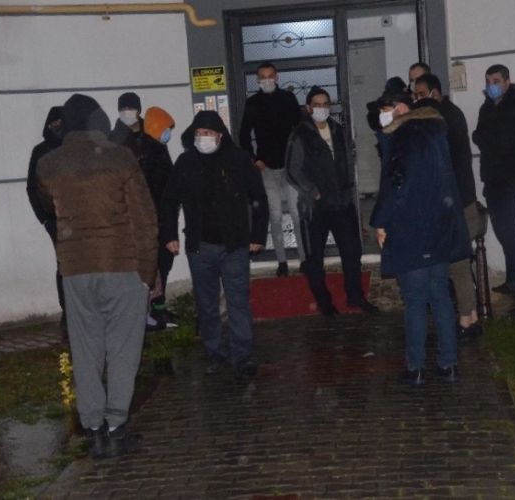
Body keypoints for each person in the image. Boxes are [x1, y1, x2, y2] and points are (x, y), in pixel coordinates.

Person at [37, 93, 157, 459]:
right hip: (122, 265)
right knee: (123, 348)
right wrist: (147, 272)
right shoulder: (120, 158)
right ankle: (117, 425)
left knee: (85, 348)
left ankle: (93, 429)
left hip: (75, 269)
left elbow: (49, 207)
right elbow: (144, 218)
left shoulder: (49, 164)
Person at [160, 111, 268, 381]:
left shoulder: (238, 160)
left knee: (237, 301)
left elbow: (258, 198)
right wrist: (170, 235)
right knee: (206, 304)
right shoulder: (186, 162)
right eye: (198, 133)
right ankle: (215, 353)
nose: (202, 138)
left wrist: (257, 235)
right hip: (200, 246)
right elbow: (169, 200)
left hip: (234, 245)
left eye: (207, 133)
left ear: (220, 135)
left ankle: (241, 356)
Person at [371, 92, 470, 385]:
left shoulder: (404, 137)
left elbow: (396, 184)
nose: (383, 116)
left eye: (386, 110)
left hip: (411, 229)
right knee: (440, 296)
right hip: (438, 227)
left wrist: (380, 221)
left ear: (402, 108)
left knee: (415, 300)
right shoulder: (434, 133)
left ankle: (415, 367)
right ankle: (449, 364)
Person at [285, 86, 379, 317]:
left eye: (325, 104)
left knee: (352, 252)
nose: (322, 108)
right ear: (308, 108)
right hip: (314, 207)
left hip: (341, 203)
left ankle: (355, 296)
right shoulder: (300, 134)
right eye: (317, 105)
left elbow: (347, 162)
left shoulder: (337, 130)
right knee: (314, 257)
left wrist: (349, 192)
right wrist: (312, 191)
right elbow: (292, 170)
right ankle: (324, 302)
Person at [413, 73, 482, 341]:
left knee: (456, 264)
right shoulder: (452, 113)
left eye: (420, 94)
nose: (417, 100)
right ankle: (471, 316)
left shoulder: (441, 117)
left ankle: (466, 318)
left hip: (455, 202)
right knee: (459, 263)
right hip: (460, 199)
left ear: (435, 93)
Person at [472, 64, 515, 297]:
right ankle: (513, 279)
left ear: (507, 82)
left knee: (513, 226)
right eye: (488, 81)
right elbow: (480, 136)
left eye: (496, 81)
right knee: (502, 229)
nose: (491, 86)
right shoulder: (487, 108)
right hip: (493, 177)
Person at [238, 62, 305, 277]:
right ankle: (282, 262)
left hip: (290, 167)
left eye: (270, 76)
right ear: (257, 80)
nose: (267, 80)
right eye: (262, 77)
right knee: (275, 215)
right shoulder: (253, 103)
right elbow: (244, 135)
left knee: (296, 213)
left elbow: (300, 129)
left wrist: (298, 158)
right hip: (267, 168)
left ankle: (304, 259)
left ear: (276, 77)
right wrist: (255, 159)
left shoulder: (288, 98)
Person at [118, 105, 179, 331]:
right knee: (155, 267)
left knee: (162, 265)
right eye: (165, 128)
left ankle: (157, 310)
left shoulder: (156, 148)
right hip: (152, 218)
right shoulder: (148, 151)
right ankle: (150, 313)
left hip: (160, 217)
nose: (168, 133)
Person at [26, 106, 67, 338]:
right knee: (65, 265)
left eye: (62, 123)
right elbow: (32, 187)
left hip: (77, 216)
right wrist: (43, 217)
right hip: (54, 218)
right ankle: (67, 311)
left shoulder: (73, 148)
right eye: (54, 124)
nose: (58, 128)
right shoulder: (41, 151)